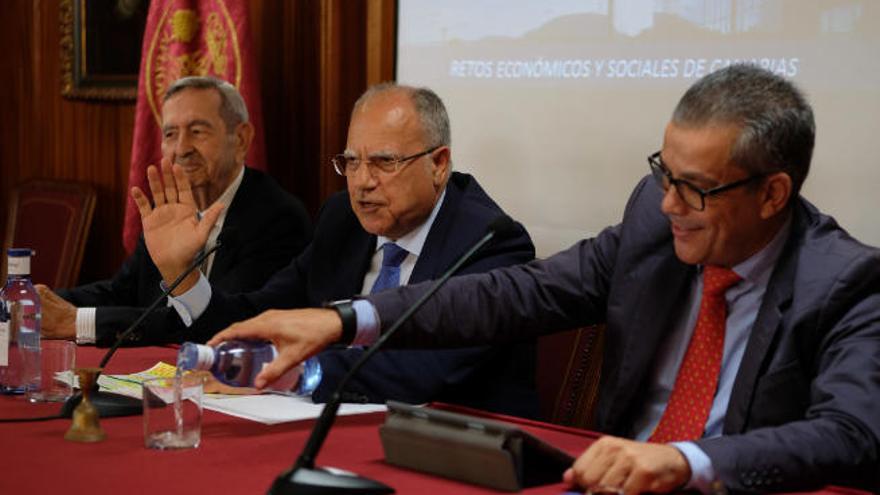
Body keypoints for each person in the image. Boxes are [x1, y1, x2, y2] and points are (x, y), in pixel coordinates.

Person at [208, 65, 880, 494]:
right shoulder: (653, 224)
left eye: (695, 188)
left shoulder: (846, 281)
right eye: (663, 173)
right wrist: (345, 318)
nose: (669, 202)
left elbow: (847, 433)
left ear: (773, 193)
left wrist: (688, 460)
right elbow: (515, 293)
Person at [133, 83, 539, 417]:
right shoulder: (342, 219)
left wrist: (296, 373)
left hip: (452, 452)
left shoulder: (490, 242)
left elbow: (423, 372)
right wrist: (183, 276)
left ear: (438, 163)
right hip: (329, 428)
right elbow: (261, 316)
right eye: (351, 162)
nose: (362, 182)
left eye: (383, 162)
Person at [37, 76, 311, 347]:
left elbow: (209, 321)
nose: (182, 149)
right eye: (170, 134)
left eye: (197, 131)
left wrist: (77, 321)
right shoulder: (167, 211)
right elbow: (122, 291)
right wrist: (38, 305)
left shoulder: (278, 218)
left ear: (240, 139)